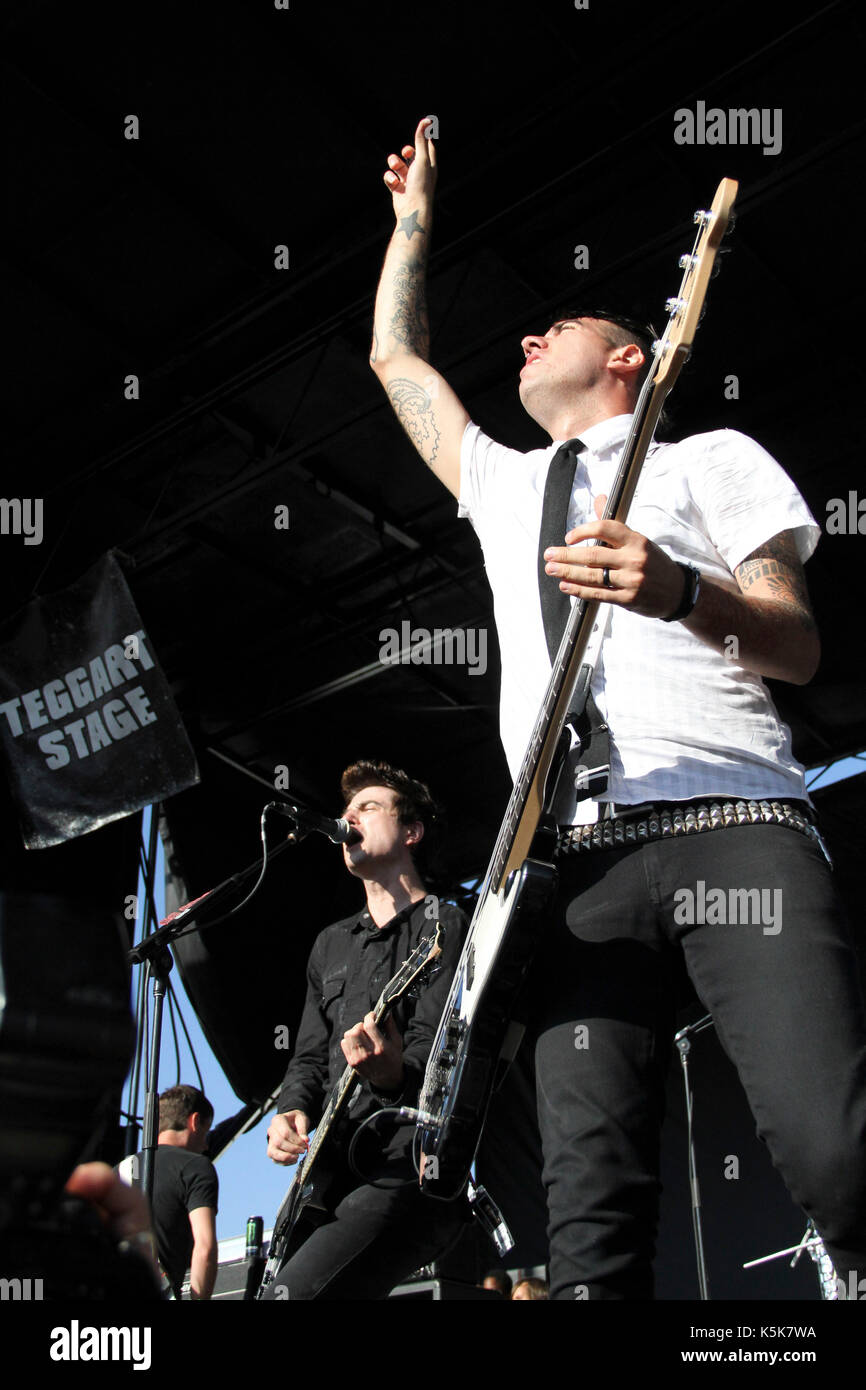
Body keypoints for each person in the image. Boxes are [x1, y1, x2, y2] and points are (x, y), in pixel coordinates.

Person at [369, 118, 866, 1299]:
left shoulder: (709, 459)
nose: (529, 333)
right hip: (569, 870)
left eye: (562, 325)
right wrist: (409, 225)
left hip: (727, 820)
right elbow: (397, 363)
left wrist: (678, 590)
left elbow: (793, 647)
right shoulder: (500, 484)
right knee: (589, 1239)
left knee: (835, 1150)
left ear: (632, 358)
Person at [263, 759, 469, 1299]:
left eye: (368, 808)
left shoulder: (446, 927)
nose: (349, 818)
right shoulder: (330, 943)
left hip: (407, 1168)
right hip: (328, 1175)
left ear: (411, 832)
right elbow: (308, 1057)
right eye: (346, 811)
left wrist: (391, 1073)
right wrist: (291, 1111)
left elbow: (448, 1056)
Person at [119, 1083, 219, 1300]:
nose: (205, 1145)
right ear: (194, 1122)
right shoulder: (196, 1167)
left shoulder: (120, 1170)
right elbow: (205, 1246)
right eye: (206, 1132)